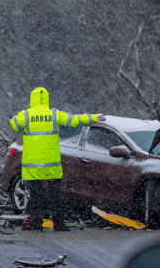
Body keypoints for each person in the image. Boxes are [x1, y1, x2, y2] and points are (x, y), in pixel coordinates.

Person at [8, 87, 102, 231]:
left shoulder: (26, 115)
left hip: (33, 166)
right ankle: (59, 224)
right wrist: (95, 117)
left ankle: (37, 224)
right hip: (51, 165)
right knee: (56, 197)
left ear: (32, 99)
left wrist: (19, 114)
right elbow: (75, 120)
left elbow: (13, 125)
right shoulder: (54, 114)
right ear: (46, 99)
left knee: (36, 197)